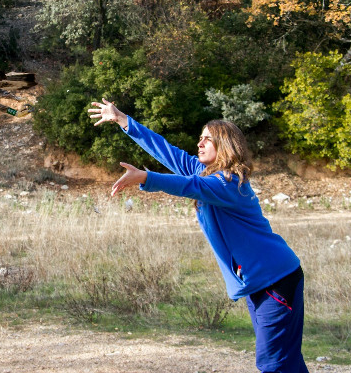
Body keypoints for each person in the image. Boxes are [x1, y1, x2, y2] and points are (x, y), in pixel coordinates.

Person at [88, 98, 308, 373]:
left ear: (225, 145)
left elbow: (190, 186)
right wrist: (122, 120)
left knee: (274, 363)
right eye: (200, 138)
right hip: (262, 282)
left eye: (207, 139)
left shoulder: (229, 182)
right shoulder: (207, 174)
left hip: (276, 280)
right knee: (285, 360)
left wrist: (146, 177)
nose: (199, 143)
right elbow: (169, 153)